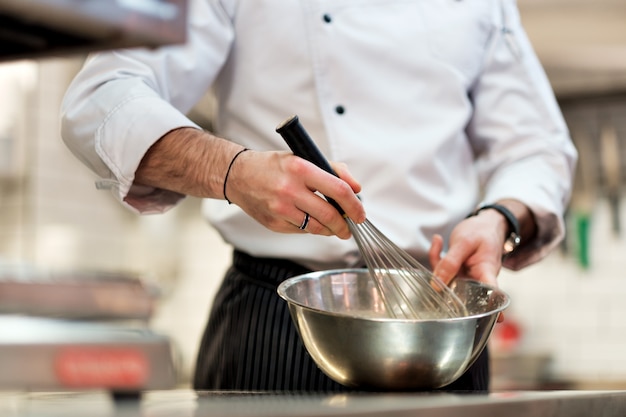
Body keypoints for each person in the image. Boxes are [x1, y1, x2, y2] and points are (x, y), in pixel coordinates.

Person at [60, 0, 577, 392]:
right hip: (278, 321)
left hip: (441, 329)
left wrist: (502, 217)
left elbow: (539, 147)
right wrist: (233, 171)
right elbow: (101, 98)